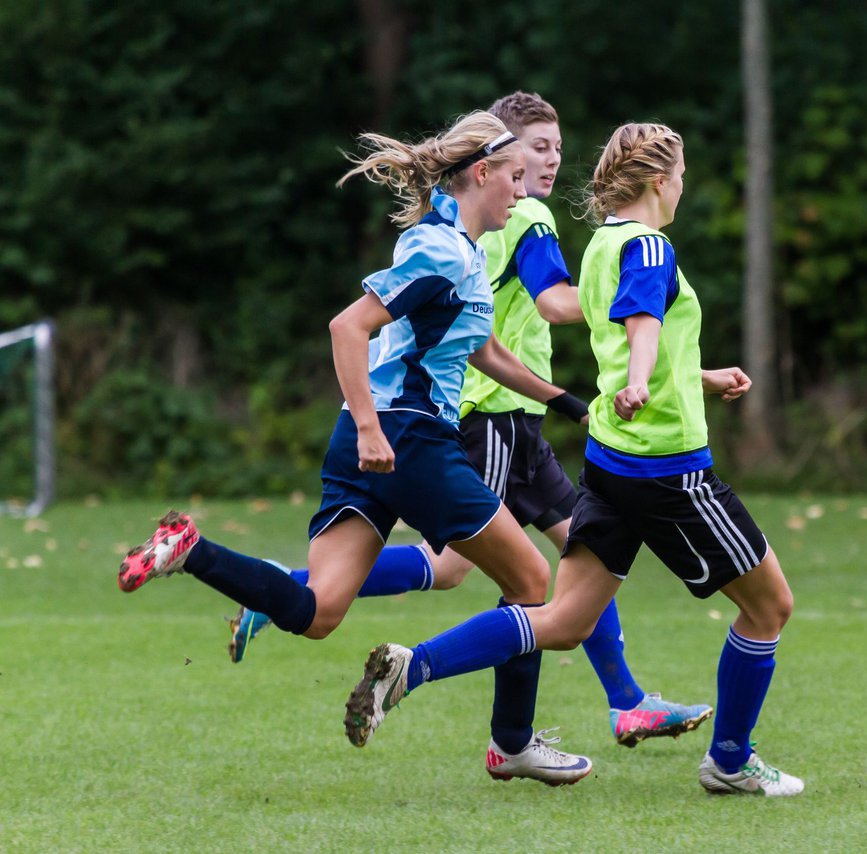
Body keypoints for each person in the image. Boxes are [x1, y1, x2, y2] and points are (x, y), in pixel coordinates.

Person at [117, 110, 594, 786]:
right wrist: (374, 428)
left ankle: (192, 551)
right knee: (532, 583)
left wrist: (562, 401)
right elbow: (349, 327)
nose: (521, 191)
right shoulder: (443, 252)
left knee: (317, 613)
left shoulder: (457, 248)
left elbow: (483, 349)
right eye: (514, 176)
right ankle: (509, 742)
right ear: (481, 173)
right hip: (409, 439)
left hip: (368, 440)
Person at [226, 91, 713, 749]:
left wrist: (590, 383)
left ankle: (614, 702)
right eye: (535, 150)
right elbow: (554, 303)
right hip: (486, 420)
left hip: (517, 418)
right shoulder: (532, 219)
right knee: (513, 569)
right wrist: (631, 298)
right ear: (494, 161)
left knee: (565, 555)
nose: (548, 163)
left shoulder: (481, 221)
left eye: (558, 149)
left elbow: (484, 333)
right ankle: (528, 724)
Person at [342, 122, 804, 796]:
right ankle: (730, 762)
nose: (682, 188)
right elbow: (642, 328)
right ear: (656, 180)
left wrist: (696, 376)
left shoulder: (602, 247)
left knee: (561, 621)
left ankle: (413, 668)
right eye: (679, 176)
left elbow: (626, 331)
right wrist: (646, 382)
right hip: (669, 469)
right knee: (770, 608)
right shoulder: (648, 243)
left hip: (611, 462)